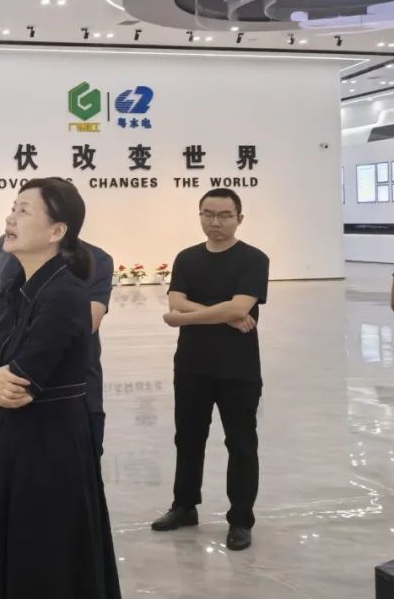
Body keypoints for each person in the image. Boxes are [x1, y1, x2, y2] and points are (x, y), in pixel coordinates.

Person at [0, 178, 120, 598]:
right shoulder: (15, 286)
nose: (10, 218)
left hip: (50, 446)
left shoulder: (65, 294)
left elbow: (21, 383)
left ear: (56, 231)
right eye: (13, 208)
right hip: (9, 439)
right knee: (10, 548)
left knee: (45, 556)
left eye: (24, 210)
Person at [152, 188, 269, 552]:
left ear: (239, 218)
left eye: (224, 215)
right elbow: (176, 299)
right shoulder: (187, 258)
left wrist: (183, 317)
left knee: (241, 444)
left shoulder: (254, 259)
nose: (215, 222)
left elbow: (238, 308)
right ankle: (184, 506)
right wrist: (225, 316)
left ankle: (241, 519)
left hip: (238, 369)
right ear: (200, 215)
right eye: (208, 214)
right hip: (192, 366)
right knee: (188, 439)